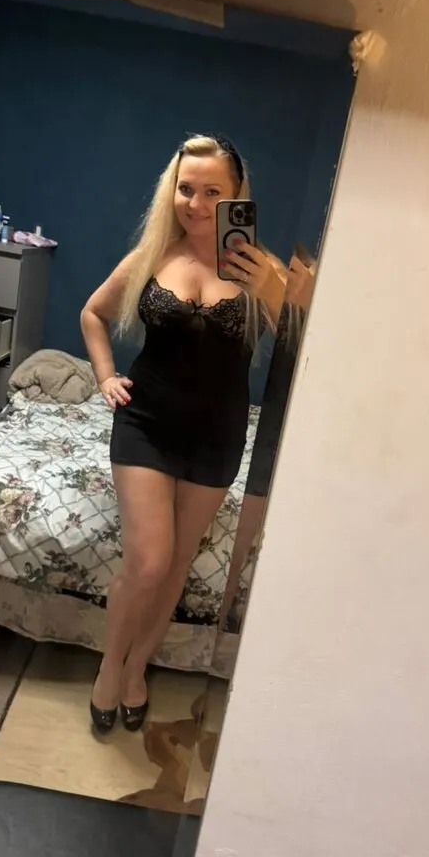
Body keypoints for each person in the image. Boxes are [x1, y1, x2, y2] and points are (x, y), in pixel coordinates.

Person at [80, 134, 285, 734]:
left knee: (175, 566)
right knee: (149, 560)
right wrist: (105, 376)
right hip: (146, 423)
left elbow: (309, 342)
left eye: (211, 191)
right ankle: (108, 669)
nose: (195, 203)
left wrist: (274, 291)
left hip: (217, 434)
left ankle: (137, 669)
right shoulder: (152, 256)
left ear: (236, 196)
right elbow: (93, 313)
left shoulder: (261, 270)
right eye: (185, 188)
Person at [218, 252, 317, 631]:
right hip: (275, 421)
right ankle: (225, 606)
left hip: (304, 427)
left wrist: (290, 299)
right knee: (248, 524)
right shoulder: (289, 274)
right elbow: (287, 345)